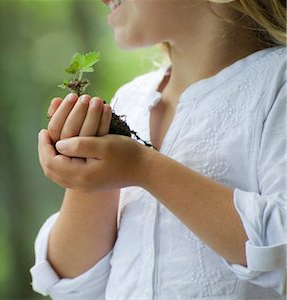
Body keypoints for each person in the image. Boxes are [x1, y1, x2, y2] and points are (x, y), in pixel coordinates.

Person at [31, 0, 286, 299]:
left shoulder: (277, 84)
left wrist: (143, 168)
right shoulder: (130, 99)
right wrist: (88, 178)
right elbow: (74, 283)